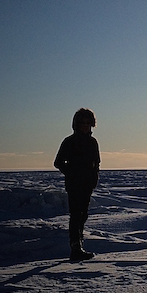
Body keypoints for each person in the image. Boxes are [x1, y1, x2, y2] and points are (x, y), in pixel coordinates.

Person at [54, 108, 100, 261]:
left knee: (83, 214)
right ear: (76, 124)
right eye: (82, 123)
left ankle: (79, 243)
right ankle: (75, 247)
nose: (85, 125)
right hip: (74, 185)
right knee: (76, 215)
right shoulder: (69, 142)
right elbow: (58, 162)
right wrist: (71, 173)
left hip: (87, 185)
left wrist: (94, 178)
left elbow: (97, 163)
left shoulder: (93, 142)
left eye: (88, 122)